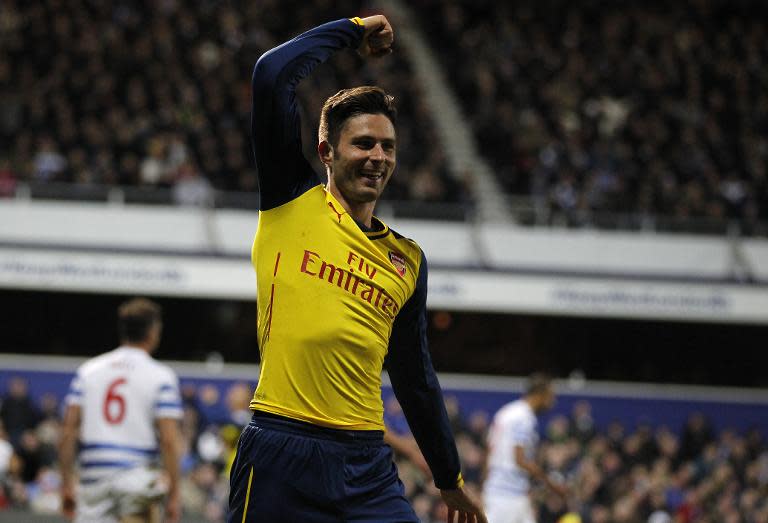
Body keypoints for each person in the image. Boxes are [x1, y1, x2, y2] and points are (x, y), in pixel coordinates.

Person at [227, 14, 486, 523]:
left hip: (365, 464)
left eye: (387, 146)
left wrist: (449, 477)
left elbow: (414, 376)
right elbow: (272, 74)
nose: (377, 156)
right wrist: (354, 29)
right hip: (282, 445)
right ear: (326, 151)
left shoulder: (408, 260)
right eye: (363, 143)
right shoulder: (290, 202)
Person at [58, 298, 183, 523]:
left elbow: (68, 431)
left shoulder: (88, 372)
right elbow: (169, 440)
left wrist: (66, 483)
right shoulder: (161, 377)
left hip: (94, 479)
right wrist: (174, 494)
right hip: (136, 480)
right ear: (153, 331)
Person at [482, 373, 568, 523]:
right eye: (550, 396)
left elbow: (490, 449)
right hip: (508, 495)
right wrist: (552, 484)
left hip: (500, 490)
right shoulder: (524, 418)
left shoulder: (507, 412)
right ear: (540, 394)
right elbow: (520, 460)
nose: (552, 401)